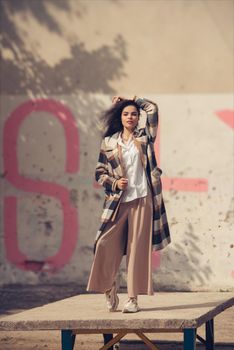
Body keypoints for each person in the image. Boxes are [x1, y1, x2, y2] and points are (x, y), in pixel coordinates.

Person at [86, 95, 171, 313]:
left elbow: (152, 108)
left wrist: (131, 99)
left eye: (134, 113)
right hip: (118, 202)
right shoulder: (109, 142)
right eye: (126, 113)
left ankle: (132, 299)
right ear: (120, 117)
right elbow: (99, 172)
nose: (130, 117)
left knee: (136, 250)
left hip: (143, 199)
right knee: (103, 244)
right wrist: (115, 182)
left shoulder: (145, 137)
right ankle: (109, 286)